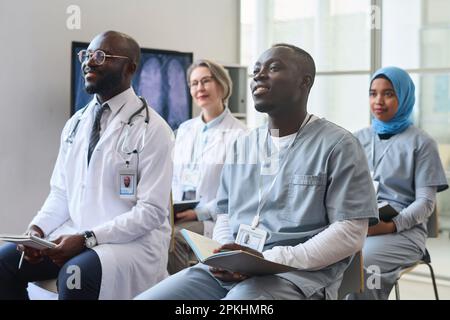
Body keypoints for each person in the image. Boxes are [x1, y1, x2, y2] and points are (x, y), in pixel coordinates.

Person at [135, 44, 378, 300]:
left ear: (305, 81)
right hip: (231, 271)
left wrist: (268, 259)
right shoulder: (243, 145)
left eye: (273, 68)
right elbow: (225, 213)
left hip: (294, 275)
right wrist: (227, 256)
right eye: (256, 70)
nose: (259, 76)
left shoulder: (338, 145)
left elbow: (350, 232)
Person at [0, 31, 174, 300]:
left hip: (131, 244)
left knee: (75, 274)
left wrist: (87, 238)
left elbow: (150, 212)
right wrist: (37, 231)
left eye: (101, 56)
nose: (89, 62)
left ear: (130, 68)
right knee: (3, 261)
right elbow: (61, 193)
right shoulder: (75, 124)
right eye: (87, 55)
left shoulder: (154, 129)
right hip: (78, 235)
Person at [348, 66, 448, 300]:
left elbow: (425, 203)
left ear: (403, 97)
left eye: (389, 94)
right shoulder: (355, 139)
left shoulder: (422, 143)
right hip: (359, 225)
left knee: (364, 267)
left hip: (403, 232)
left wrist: (391, 225)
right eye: (373, 93)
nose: (378, 101)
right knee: (321, 261)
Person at [168, 59, 246, 274]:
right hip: (178, 213)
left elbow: (238, 192)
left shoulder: (241, 135)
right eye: (194, 83)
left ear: (222, 85)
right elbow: (174, 177)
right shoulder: (184, 129)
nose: (199, 88)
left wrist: (199, 212)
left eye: (205, 81)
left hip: (213, 219)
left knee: (171, 239)